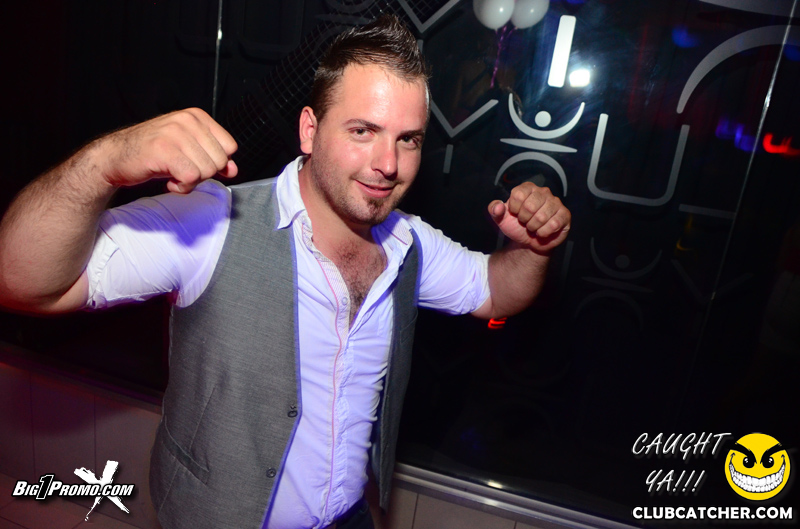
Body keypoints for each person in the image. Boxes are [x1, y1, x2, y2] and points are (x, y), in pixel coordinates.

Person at [0, 15, 570, 529]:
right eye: (363, 131)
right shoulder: (214, 222)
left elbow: (497, 291)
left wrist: (533, 248)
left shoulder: (409, 243)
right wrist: (103, 164)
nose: (388, 164)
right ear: (309, 131)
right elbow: (19, 279)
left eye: (408, 140)